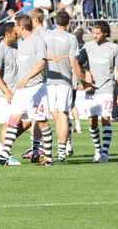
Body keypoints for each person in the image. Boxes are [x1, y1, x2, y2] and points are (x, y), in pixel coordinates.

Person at [0, 14, 53, 166]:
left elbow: (41, 64)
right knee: (13, 119)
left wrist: (26, 78)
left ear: (22, 27)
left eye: (16, 26)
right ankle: (5, 154)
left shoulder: (37, 41)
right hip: (22, 90)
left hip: (37, 87)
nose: (14, 29)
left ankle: (49, 159)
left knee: (42, 123)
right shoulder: (21, 43)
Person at [41, 11, 88, 162]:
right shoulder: (70, 38)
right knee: (63, 116)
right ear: (69, 23)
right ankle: (63, 150)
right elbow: (74, 62)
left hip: (47, 81)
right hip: (64, 82)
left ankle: (58, 147)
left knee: (54, 116)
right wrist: (82, 79)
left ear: (54, 21)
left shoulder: (45, 36)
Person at [78, 20, 118, 163]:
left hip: (107, 88)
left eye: (98, 33)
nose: (95, 36)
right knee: (92, 122)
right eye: (94, 33)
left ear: (105, 33)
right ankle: (97, 149)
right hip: (91, 90)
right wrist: (85, 74)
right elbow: (78, 63)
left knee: (106, 119)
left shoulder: (113, 48)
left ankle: (104, 153)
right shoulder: (88, 46)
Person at [0, 22, 23, 165]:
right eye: (15, 34)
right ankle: (7, 155)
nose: (17, 36)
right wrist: (7, 92)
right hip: (7, 95)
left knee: (26, 123)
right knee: (9, 124)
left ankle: (2, 145)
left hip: (19, 94)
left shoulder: (16, 48)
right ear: (8, 33)